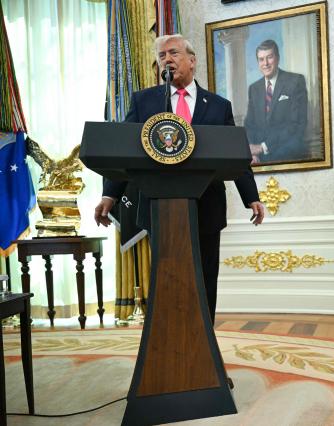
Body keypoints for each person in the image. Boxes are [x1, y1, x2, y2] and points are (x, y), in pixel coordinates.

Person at [94, 34, 265, 324]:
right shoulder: (145, 101)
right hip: (159, 209)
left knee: (205, 278)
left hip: (206, 206)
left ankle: (204, 349)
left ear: (192, 60)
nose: (167, 59)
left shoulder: (218, 106)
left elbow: (235, 156)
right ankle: (168, 348)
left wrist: (252, 197)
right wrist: (109, 195)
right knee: (168, 279)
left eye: (173, 53)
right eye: (162, 56)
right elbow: (124, 150)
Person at [244, 39, 308, 164]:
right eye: (261, 59)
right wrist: (251, 151)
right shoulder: (254, 88)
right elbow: (249, 124)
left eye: (269, 57)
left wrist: (262, 147)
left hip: (287, 152)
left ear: (277, 58)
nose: (266, 63)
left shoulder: (295, 81)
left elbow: (296, 125)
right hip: (258, 156)